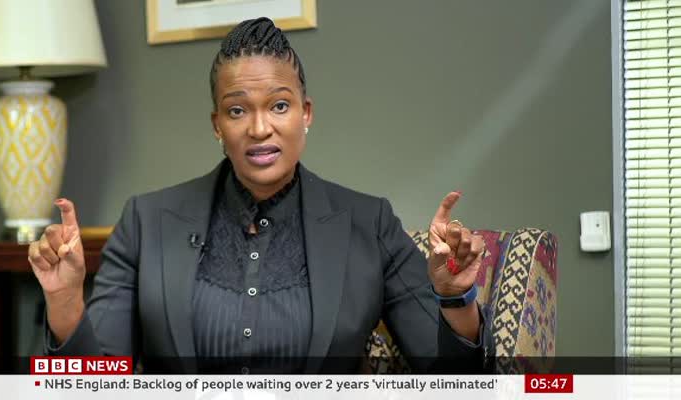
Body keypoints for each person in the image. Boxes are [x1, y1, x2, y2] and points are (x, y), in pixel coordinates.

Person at [28, 17, 493, 373]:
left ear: (306, 114)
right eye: (237, 110)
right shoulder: (146, 221)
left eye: (279, 105)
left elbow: (454, 379)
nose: (259, 128)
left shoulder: (368, 223)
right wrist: (65, 302)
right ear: (217, 125)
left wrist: (455, 298)